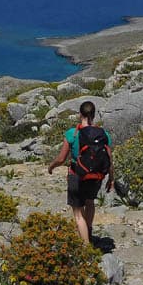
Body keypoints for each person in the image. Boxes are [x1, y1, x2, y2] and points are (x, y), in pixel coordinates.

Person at [47, 101, 113, 244]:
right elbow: (109, 157)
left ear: (80, 114)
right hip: (96, 176)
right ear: (94, 115)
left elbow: (61, 158)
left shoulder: (72, 133)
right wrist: (111, 179)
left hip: (76, 174)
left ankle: (86, 247)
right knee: (90, 202)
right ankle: (88, 231)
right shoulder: (104, 134)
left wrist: (51, 167)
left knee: (77, 213)